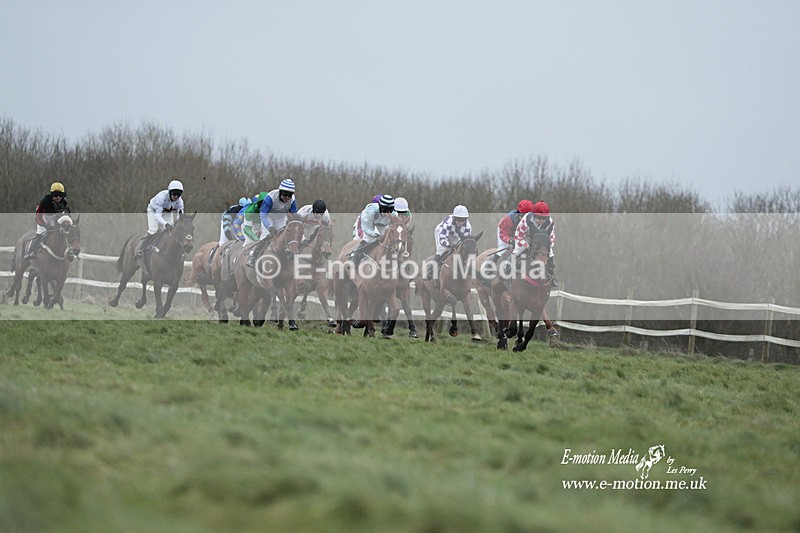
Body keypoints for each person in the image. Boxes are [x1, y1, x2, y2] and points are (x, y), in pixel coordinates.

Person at [246, 178, 298, 267]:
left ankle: (288, 256)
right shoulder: (270, 197)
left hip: (280, 218)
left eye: (289, 195)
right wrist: (270, 227)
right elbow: (263, 216)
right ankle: (253, 257)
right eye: (285, 195)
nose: (287, 198)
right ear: (280, 192)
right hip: (268, 217)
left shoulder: (292, 200)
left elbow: (294, 215)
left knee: (286, 236)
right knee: (266, 236)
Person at [511, 200, 557, 287]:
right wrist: (527, 246)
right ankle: (508, 268)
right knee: (518, 250)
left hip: (542, 241)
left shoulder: (550, 222)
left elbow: (551, 238)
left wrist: (547, 247)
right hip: (526, 237)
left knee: (550, 252)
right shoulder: (526, 220)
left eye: (544, 218)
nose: (541, 221)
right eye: (539, 218)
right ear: (534, 215)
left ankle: (551, 274)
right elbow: (519, 237)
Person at [134, 180, 185, 259]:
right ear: (170, 192)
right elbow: (157, 216)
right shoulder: (161, 198)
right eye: (174, 194)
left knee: (171, 231)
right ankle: (141, 250)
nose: (176, 197)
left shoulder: (180, 201)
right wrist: (166, 224)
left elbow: (180, 215)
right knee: (153, 230)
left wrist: (178, 224)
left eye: (178, 194)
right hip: (154, 211)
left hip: (167, 211)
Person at [24, 182, 71, 259]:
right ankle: (30, 251)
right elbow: (38, 216)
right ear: (52, 195)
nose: (58, 197)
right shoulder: (45, 201)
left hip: (57, 222)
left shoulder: (64, 203)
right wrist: (45, 225)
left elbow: (68, 215)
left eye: (60, 195)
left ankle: (70, 252)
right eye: (55, 195)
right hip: (43, 220)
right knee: (40, 234)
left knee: (66, 235)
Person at [425, 205, 473, 279]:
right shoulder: (448, 222)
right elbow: (442, 238)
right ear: (454, 218)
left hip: (456, 236)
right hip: (442, 233)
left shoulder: (468, 227)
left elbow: (465, 242)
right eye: (458, 220)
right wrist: (449, 245)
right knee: (442, 250)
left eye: (463, 220)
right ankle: (430, 271)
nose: (460, 222)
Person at [349, 194, 395, 266]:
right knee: (368, 239)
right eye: (386, 210)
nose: (388, 213)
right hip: (368, 223)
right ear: (381, 207)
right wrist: (373, 234)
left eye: (390, 210)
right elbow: (366, 228)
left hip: (382, 224)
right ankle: (354, 257)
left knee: (384, 239)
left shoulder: (394, 214)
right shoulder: (370, 212)